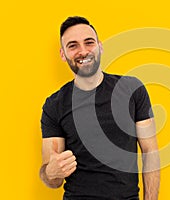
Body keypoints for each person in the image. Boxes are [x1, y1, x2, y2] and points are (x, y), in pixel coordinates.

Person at [39, 16, 160, 200]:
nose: (83, 51)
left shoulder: (132, 90)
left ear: (100, 46)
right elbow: (52, 179)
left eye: (89, 42)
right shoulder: (54, 105)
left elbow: (150, 152)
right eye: (73, 46)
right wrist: (51, 172)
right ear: (63, 54)